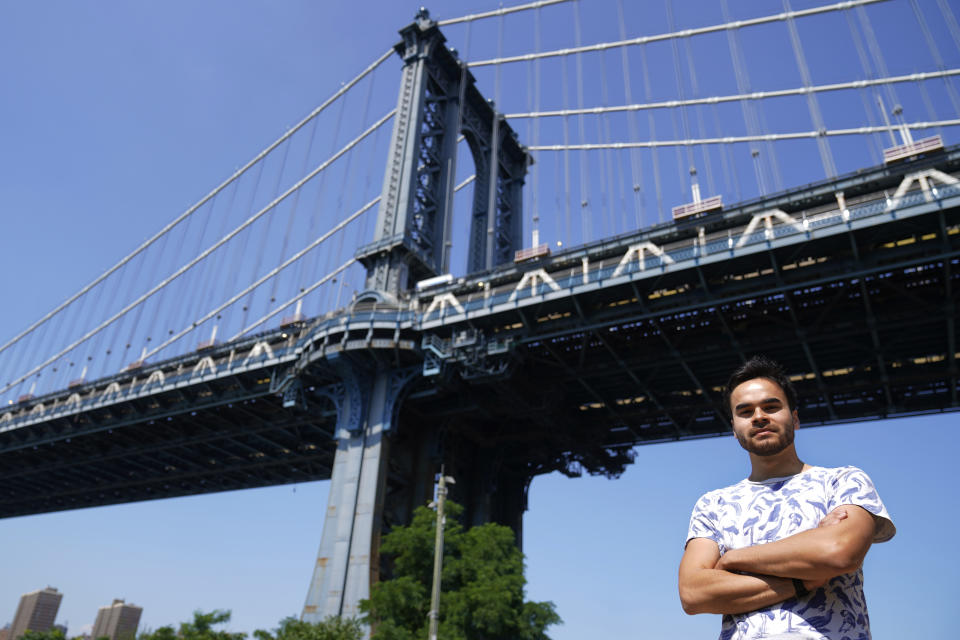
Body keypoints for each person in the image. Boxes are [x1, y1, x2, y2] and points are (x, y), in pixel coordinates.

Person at [678, 356, 895, 640]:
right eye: (745, 412)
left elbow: (839, 551)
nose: (758, 416)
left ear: (794, 418)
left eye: (771, 406)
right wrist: (802, 580)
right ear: (734, 428)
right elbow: (693, 593)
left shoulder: (842, 481)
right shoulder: (713, 504)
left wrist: (733, 559)